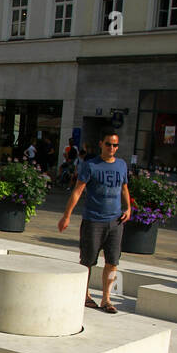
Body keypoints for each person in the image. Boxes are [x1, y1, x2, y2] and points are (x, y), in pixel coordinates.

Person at [58, 130, 132, 314]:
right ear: (101, 144)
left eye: (115, 145)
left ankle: (106, 298)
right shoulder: (90, 165)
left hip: (115, 221)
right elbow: (77, 191)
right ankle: (84, 295)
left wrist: (128, 208)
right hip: (93, 221)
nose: (112, 148)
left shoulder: (122, 165)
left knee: (113, 261)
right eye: (108, 144)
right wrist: (66, 215)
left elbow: (124, 188)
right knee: (88, 261)